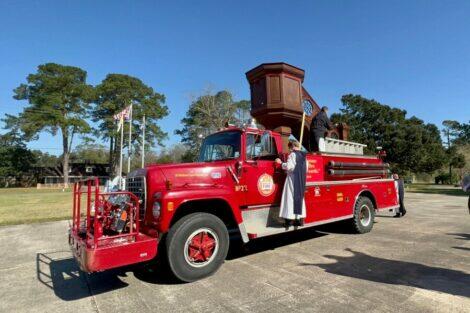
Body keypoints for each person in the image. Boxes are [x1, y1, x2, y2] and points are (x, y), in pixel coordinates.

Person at [275, 140, 308, 227]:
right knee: (299, 198)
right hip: (300, 179)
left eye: (289, 148)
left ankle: (289, 221)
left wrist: (281, 163)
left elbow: (289, 167)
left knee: (289, 198)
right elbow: (306, 168)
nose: (289, 150)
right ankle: (299, 220)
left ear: (292, 147)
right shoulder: (304, 155)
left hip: (292, 179)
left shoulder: (293, 154)